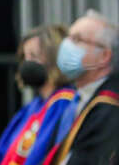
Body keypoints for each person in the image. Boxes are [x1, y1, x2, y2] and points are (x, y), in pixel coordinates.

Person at [0, 24, 75, 165]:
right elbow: (1, 152)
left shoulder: (64, 102)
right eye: (25, 56)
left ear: (54, 58)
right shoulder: (32, 107)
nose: (26, 63)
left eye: (33, 56)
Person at [44, 10, 119, 165]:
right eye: (68, 38)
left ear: (104, 56)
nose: (66, 45)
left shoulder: (110, 106)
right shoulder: (75, 99)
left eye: (77, 39)